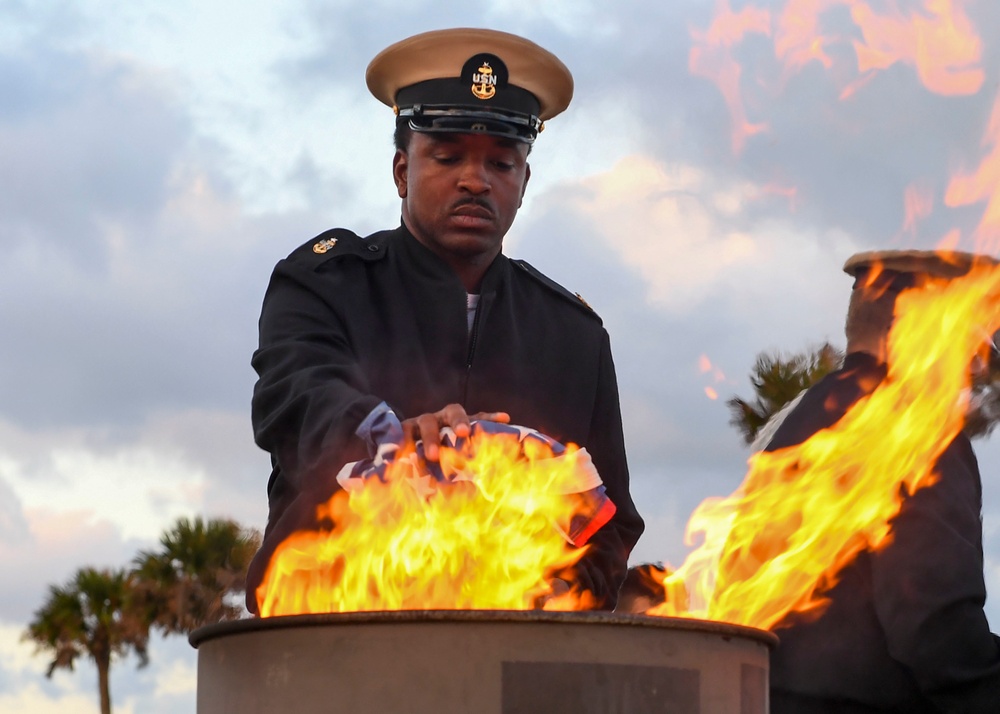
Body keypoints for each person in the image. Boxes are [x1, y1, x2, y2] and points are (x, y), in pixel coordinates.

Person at [245, 28, 644, 613]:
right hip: (331, 636)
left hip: (518, 667)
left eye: (501, 163)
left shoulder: (574, 336)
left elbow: (609, 528)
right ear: (402, 171)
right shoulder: (325, 283)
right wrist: (391, 438)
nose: (475, 181)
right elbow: (296, 403)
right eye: (448, 156)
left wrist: (549, 600)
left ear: (524, 182)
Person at [762, 250, 1000, 713]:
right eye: (969, 339)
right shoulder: (913, 434)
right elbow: (933, 628)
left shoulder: (798, 421)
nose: (974, 369)